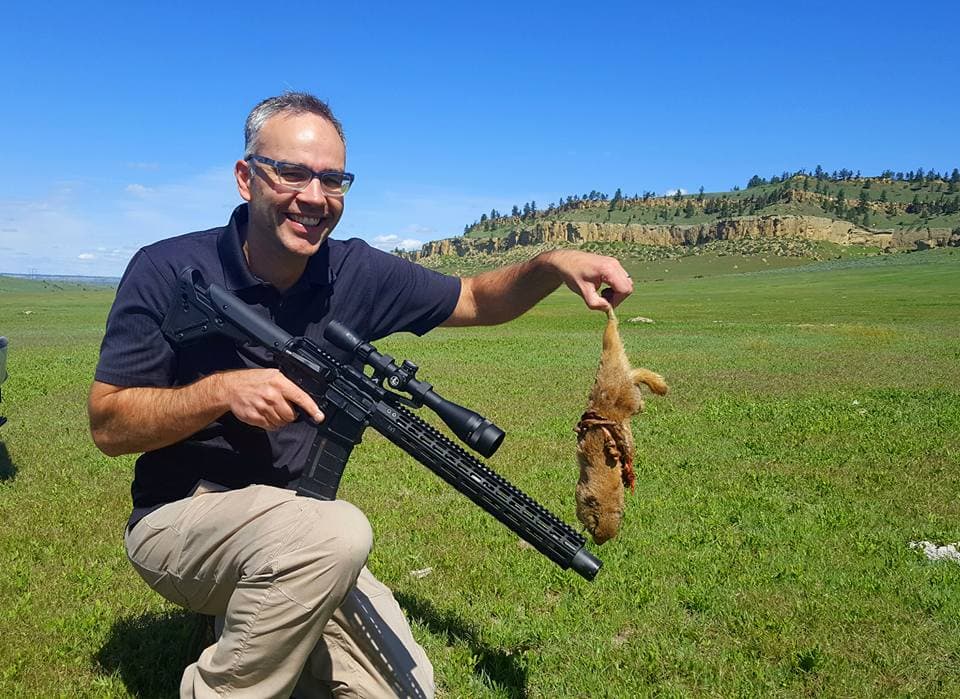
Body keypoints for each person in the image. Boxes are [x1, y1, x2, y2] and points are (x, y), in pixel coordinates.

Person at [88, 92, 632, 699]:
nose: (314, 197)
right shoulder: (167, 270)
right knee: (336, 533)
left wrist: (552, 264)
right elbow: (109, 425)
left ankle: (252, 618)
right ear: (246, 178)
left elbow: (475, 297)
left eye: (332, 179)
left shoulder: (356, 272)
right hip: (181, 514)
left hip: (298, 535)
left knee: (409, 691)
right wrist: (219, 392)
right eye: (291, 172)